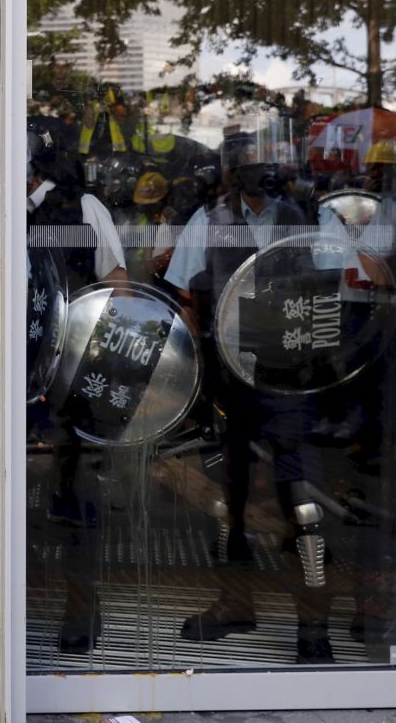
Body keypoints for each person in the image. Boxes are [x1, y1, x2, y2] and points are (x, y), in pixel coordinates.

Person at [163, 126, 345, 663]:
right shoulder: (210, 221)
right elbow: (184, 290)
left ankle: (315, 623)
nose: (260, 174)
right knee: (231, 502)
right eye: (249, 164)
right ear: (232, 172)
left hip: (293, 378)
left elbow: (341, 279)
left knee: (302, 501)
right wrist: (209, 354)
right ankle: (235, 603)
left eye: (269, 164)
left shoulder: (309, 216)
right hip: (233, 377)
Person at [27, 116, 128, 653]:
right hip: (4, 374)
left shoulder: (85, 209)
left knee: (75, 496)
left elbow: (117, 285)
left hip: (70, 375)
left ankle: (79, 613)